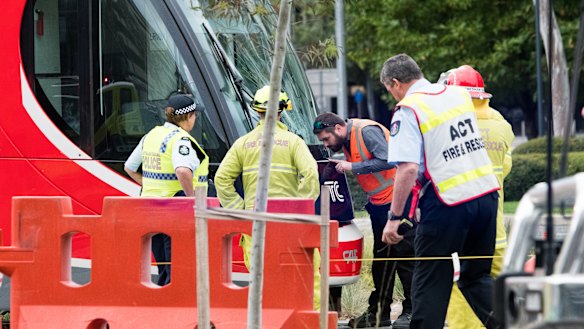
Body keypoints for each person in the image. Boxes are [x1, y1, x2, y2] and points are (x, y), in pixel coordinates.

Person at [380, 54, 501, 329]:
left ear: (396, 83)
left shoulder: (408, 109)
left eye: (389, 90)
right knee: (476, 277)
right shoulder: (457, 95)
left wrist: (395, 217)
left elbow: (408, 168)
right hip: (485, 196)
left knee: (431, 279)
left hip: (447, 202)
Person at [214, 85, 321, 307]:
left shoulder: (243, 143)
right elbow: (310, 174)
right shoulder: (293, 142)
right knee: (306, 279)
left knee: (262, 282)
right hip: (290, 225)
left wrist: (240, 210)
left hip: (256, 224)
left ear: (257, 111)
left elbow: (221, 179)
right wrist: (300, 209)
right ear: (282, 111)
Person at [313, 112, 415, 328]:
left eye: (326, 138)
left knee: (406, 258)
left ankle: (412, 311)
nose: (325, 143)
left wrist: (353, 167)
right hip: (380, 206)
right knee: (382, 262)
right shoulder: (348, 141)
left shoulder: (366, 131)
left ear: (338, 129)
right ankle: (379, 313)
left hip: (400, 203)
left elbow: (388, 160)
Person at [439, 65, 514, 329]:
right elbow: (505, 167)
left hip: (467, 228)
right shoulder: (501, 124)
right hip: (497, 229)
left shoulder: (453, 124)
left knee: (463, 291)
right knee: (499, 291)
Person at [124, 94, 209, 286]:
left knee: (163, 264)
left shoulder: (152, 135)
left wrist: (148, 185)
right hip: (176, 210)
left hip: (151, 210)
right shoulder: (181, 140)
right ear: (189, 116)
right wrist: (192, 198)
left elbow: (129, 167)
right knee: (177, 268)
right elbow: (182, 170)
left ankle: (163, 304)